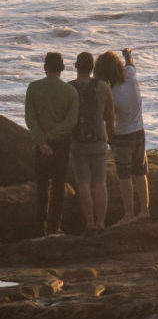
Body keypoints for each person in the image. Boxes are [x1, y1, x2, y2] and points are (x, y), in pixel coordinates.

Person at [24, 51, 79, 238]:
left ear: (45, 67)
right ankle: (54, 228)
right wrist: (52, 137)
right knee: (58, 186)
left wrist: (42, 140)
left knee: (41, 187)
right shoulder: (70, 92)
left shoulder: (33, 88)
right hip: (61, 144)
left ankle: (39, 229)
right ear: (62, 68)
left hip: (41, 145)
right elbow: (71, 122)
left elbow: (30, 118)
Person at [94, 48, 149, 223]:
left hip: (122, 136)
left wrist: (111, 141)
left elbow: (108, 120)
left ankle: (129, 214)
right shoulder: (131, 76)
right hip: (139, 132)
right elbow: (131, 64)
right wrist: (127, 54)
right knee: (141, 173)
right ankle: (145, 210)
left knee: (124, 177)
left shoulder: (111, 94)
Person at [70, 51, 115, 233]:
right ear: (92, 68)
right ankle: (101, 223)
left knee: (83, 184)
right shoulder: (103, 87)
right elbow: (110, 117)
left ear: (76, 66)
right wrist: (111, 139)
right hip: (98, 140)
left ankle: (89, 223)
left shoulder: (69, 88)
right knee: (99, 183)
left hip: (77, 142)